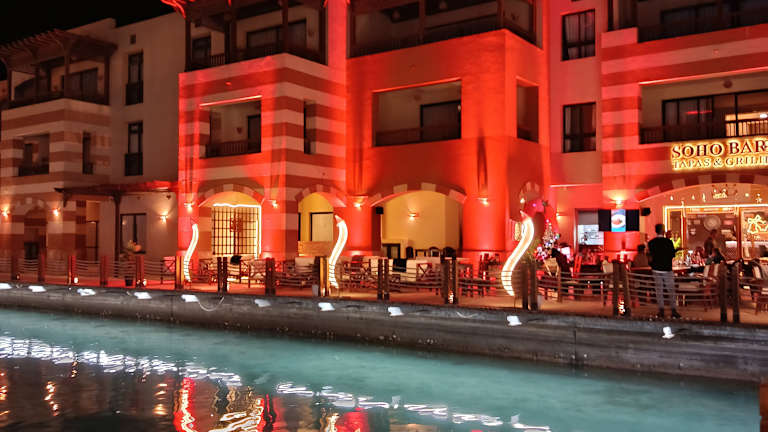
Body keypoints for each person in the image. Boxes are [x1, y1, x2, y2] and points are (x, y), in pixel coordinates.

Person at [648, 223, 680, 319]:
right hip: (666, 269)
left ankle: (661, 310)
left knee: (659, 290)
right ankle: (673, 310)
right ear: (662, 231)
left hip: (656, 269)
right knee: (671, 290)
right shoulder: (668, 242)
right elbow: (672, 255)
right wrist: (676, 250)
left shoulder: (651, 243)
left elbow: (650, 255)